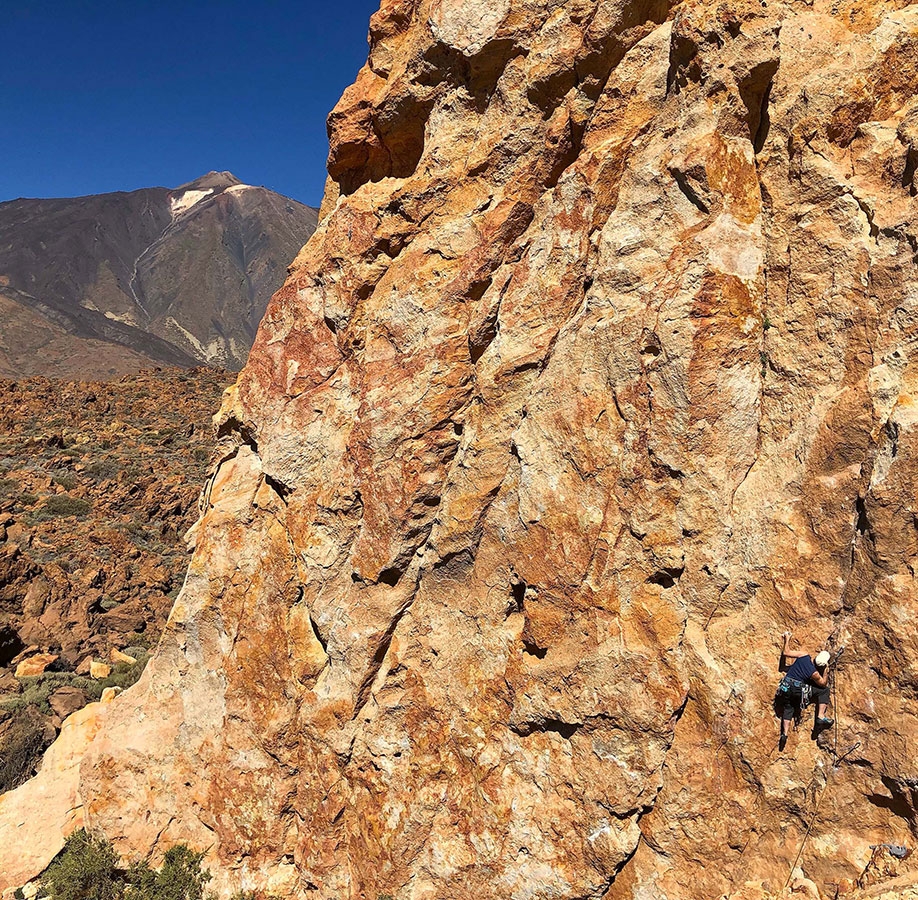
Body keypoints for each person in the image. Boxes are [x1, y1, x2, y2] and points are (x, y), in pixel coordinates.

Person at [777, 631, 833, 750]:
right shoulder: (814, 673)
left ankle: (785, 734)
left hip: (785, 686)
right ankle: (821, 716)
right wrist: (826, 671)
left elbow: (786, 652)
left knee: (788, 707)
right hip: (797, 689)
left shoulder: (804, 656)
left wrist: (787, 639)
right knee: (824, 691)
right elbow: (823, 684)